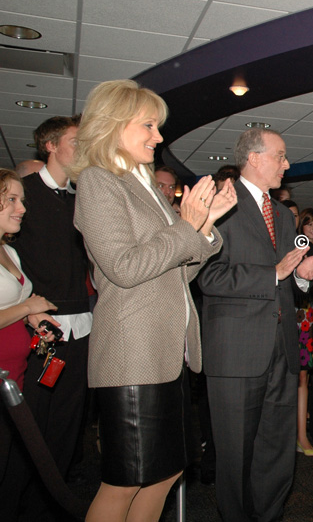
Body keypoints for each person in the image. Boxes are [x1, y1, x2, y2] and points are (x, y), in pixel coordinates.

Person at [71, 79, 236, 522]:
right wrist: (186, 226)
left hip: (169, 354)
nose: (159, 137)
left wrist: (203, 227)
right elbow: (124, 268)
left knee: (165, 473)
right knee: (124, 481)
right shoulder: (98, 182)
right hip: (132, 356)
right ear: (113, 125)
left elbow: (178, 272)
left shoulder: (145, 188)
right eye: (148, 125)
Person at [197, 128, 313, 522]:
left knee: (276, 449)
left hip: (282, 348)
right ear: (254, 158)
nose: (287, 165)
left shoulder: (281, 214)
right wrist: (274, 272)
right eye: (281, 156)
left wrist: (304, 274)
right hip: (236, 350)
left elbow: (287, 277)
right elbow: (208, 278)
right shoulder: (219, 205)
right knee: (236, 454)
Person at [15, 115, 93, 512]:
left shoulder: (84, 199)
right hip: (38, 327)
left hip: (82, 324)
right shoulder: (23, 194)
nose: (83, 148)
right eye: (75, 141)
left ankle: (53, 504)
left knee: (68, 422)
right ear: (50, 145)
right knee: (32, 425)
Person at [0, 168, 61, 521]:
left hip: (15, 375)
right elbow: (19, 304)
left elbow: (17, 306)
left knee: (9, 460)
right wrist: (28, 307)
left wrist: (34, 320)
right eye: (11, 199)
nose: (21, 208)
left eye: (21, 200)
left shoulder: (11, 251)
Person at [296, 207, 313, 456]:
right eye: (309, 224)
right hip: (284, 314)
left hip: (306, 314)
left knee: (303, 376)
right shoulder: (292, 247)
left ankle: (302, 436)